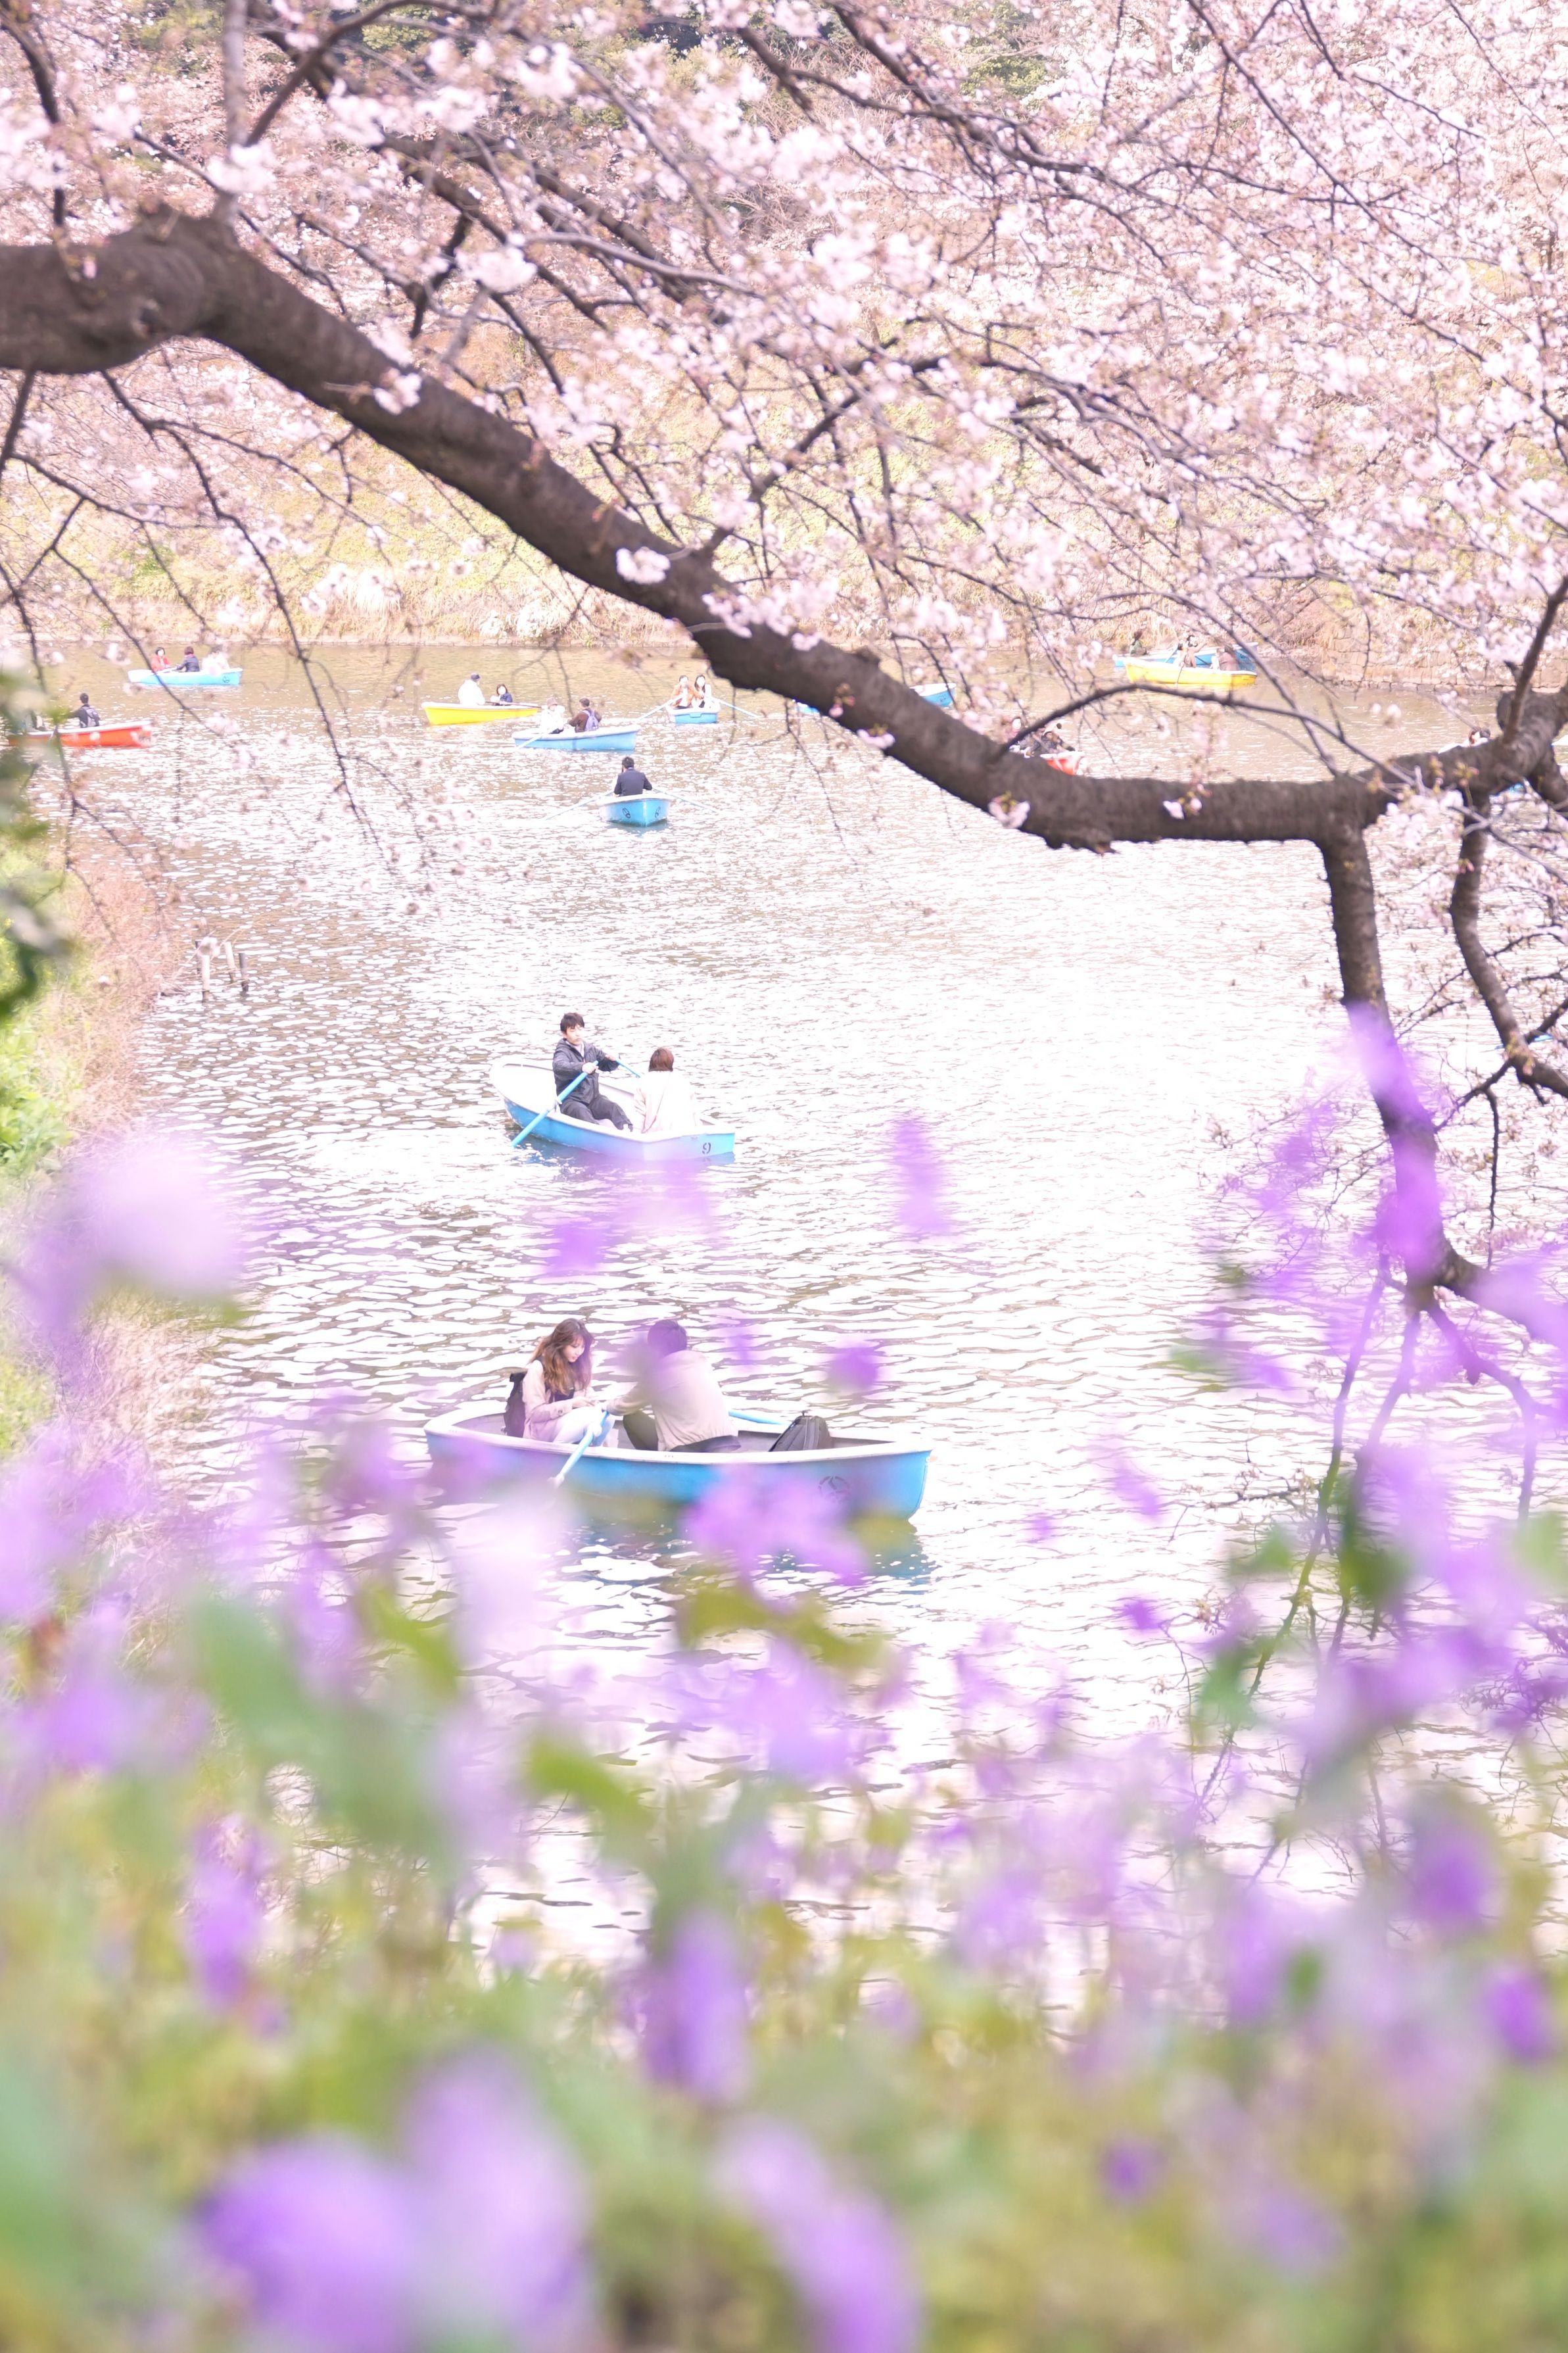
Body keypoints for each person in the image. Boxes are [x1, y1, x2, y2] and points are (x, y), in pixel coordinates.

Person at [618, 1319, 738, 1453]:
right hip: (728, 1442)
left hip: (689, 1450)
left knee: (631, 1417)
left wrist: (604, 1407)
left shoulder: (657, 1375)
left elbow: (621, 1406)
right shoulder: (702, 1363)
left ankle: (658, 1464)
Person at [505, 1318, 604, 1445]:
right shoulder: (539, 1368)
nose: (579, 1352)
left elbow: (586, 1392)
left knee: (606, 1417)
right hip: (541, 1431)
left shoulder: (578, 1365)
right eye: (574, 1346)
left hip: (568, 1422)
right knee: (584, 1416)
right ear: (561, 1344)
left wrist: (594, 1403)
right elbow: (534, 1413)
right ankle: (556, 1453)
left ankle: (596, 1451)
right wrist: (571, 1404)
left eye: (583, 1347)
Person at [553, 1012, 632, 1130]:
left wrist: (614, 1060)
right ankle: (601, 1137)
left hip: (594, 1098)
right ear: (564, 1034)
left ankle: (628, 1131)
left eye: (580, 1029)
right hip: (571, 1101)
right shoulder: (562, 1051)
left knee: (613, 1108)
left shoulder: (590, 1049)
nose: (578, 1033)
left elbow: (605, 1065)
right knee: (583, 1113)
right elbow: (559, 1066)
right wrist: (581, 1067)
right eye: (573, 1030)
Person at [635, 1048, 701, 1139]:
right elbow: (695, 1112)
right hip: (687, 1135)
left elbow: (639, 1114)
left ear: (652, 1063)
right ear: (671, 1062)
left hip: (656, 1137)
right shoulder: (683, 1080)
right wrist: (698, 1132)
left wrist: (635, 1135)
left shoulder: (643, 1081)